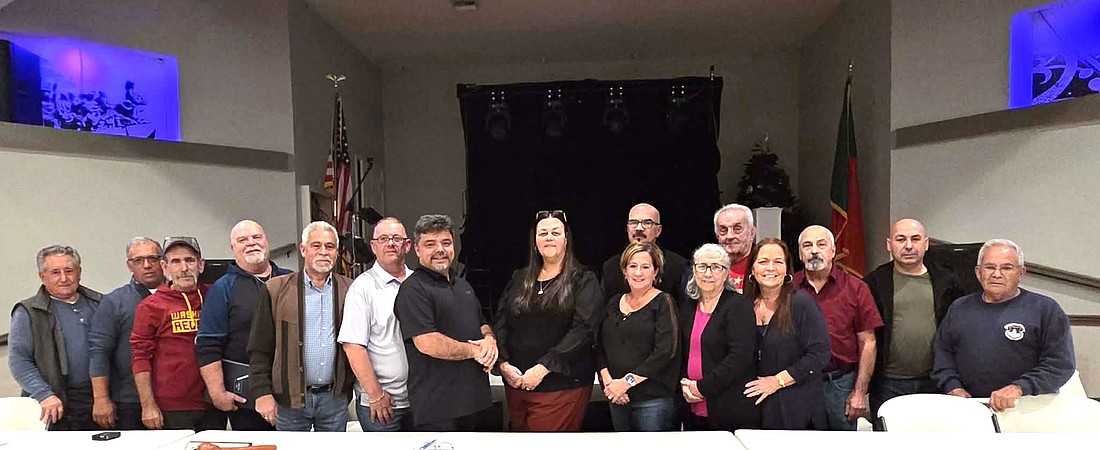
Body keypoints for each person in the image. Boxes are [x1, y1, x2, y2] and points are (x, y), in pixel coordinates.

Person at [933, 239, 1075, 412]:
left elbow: (1059, 364)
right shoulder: (958, 308)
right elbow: (943, 354)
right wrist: (952, 386)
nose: (997, 274)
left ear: (1021, 273)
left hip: (1027, 409)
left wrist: (1019, 388)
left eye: (1006, 268)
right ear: (978, 272)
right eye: (990, 267)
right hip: (970, 409)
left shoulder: (1046, 309)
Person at [494, 210, 603, 431]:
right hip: (517, 383)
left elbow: (583, 330)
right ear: (535, 241)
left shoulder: (583, 279)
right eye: (543, 233)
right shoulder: (519, 278)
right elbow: (501, 321)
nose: (549, 237)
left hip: (561, 386)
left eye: (555, 232)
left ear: (566, 239)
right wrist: (503, 364)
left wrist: (543, 368)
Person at [249, 221, 355, 432]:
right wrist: (262, 392)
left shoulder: (351, 290)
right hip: (289, 401)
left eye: (330, 246)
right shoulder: (276, 290)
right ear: (303, 249)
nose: (323, 252)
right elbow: (259, 348)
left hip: (334, 400)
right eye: (316, 246)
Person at [394, 214, 495, 431]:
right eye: (430, 244)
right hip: (438, 409)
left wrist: (489, 341)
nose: (440, 249)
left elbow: (482, 322)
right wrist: (476, 351)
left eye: (446, 243)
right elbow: (427, 342)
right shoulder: (413, 290)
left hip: (476, 402)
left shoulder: (463, 285)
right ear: (417, 249)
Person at [863, 219, 965, 417]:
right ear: (889, 245)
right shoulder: (874, 282)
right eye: (900, 239)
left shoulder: (948, 280)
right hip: (888, 384)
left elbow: (961, 330)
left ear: (926, 244)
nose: (908, 246)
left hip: (937, 381)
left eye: (915, 239)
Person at [196, 220, 291, 430]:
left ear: (267, 241)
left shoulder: (291, 280)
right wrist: (218, 393)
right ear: (233, 248)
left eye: (256, 237)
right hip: (247, 398)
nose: (251, 243)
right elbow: (207, 346)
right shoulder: (222, 289)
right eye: (242, 240)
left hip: (293, 396)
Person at [793, 225, 882, 431]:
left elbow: (868, 341)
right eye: (807, 245)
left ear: (833, 250)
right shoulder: (788, 287)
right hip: (796, 383)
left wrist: (859, 392)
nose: (814, 250)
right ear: (800, 253)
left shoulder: (856, 288)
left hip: (839, 384)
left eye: (821, 244)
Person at [131, 237, 225, 431]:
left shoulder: (216, 296)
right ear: (165, 267)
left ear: (200, 265)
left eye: (189, 260)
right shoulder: (150, 306)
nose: (184, 268)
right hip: (171, 406)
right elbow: (140, 357)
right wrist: (148, 406)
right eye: (176, 261)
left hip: (213, 400)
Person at [9, 245, 102, 430]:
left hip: (101, 399)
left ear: (79, 272)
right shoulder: (29, 312)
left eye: (69, 271)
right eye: (55, 272)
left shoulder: (99, 303)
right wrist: (44, 394)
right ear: (42, 276)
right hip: (56, 402)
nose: (64, 278)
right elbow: (19, 361)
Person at [743, 238, 831, 429]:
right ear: (752, 269)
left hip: (796, 405)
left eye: (778, 262)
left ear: (787, 270)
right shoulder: (743, 305)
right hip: (756, 407)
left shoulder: (801, 303)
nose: (770, 268)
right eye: (763, 261)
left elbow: (819, 355)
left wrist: (777, 381)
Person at [338, 217, 416, 431]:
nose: (390, 243)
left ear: (407, 245)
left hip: (420, 400)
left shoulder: (419, 284)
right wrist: (376, 394)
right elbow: (353, 346)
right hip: (384, 403)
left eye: (396, 238)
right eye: (383, 239)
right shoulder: (362, 288)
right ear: (373, 246)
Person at [597, 241, 680, 432]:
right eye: (632, 266)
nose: (638, 273)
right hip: (616, 397)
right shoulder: (613, 303)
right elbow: (599, 344)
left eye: (645, 267)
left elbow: (665, 351)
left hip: (652, 401)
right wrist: (609, 383)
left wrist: (626, 383)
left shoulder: (663, 303)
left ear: (656, 272)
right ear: (624, 271)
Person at [678, 243, 760, 432]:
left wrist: (702, 388)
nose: (708, 273)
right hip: (692, 403)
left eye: (716, 267)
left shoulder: (739, 306)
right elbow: (682, 352)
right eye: (702, 266)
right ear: (694, 271)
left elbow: (739, 357)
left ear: (726, 273)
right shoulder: (688, 307)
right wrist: (685, 385)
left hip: (728, 405)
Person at [88, 237, 166, 430]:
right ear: (129, 265)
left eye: (153, 259)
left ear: (162, 261)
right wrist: (101, 399)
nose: (147, 265)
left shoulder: (181, 295)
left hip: (176, 398)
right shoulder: (114, 302)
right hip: (130, 400)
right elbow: (99, 352)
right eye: (138, 261)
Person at [601, 203, 688, 302]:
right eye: (633, 222)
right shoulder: (610, 267)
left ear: (658, 230)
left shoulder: (678, 266)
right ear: (627, 228)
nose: (639, 228)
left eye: (647, 223)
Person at [713, 204, 758, 292]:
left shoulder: (764, 266)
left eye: (737, 229)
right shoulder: (708, 267)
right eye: (723, 230)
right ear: (717, 235)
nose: (729, 236)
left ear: (752, 233)